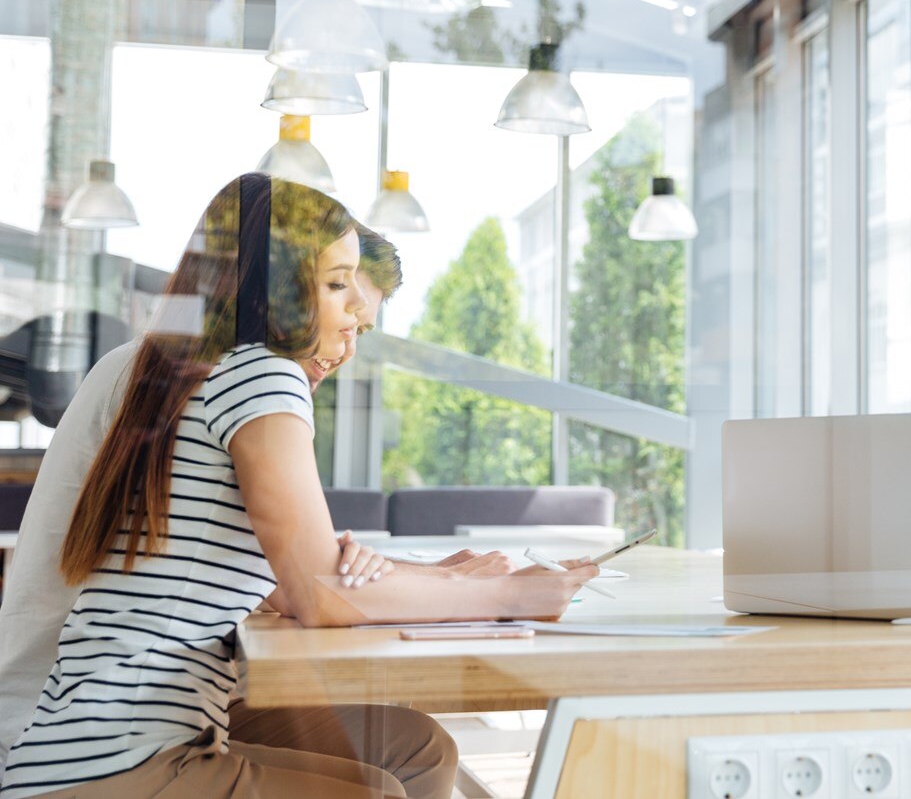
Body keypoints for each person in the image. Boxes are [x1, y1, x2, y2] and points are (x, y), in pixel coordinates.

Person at [0, 175, 596, 799]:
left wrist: (410, 578)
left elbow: (290, 577)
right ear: (282, 287)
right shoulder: (259, 374)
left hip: (92, 730)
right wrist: (514, 594)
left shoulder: (187, 368)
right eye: (338, 286)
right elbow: (315, 591)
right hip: (105, 738)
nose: (355, 321)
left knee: (410, 756)